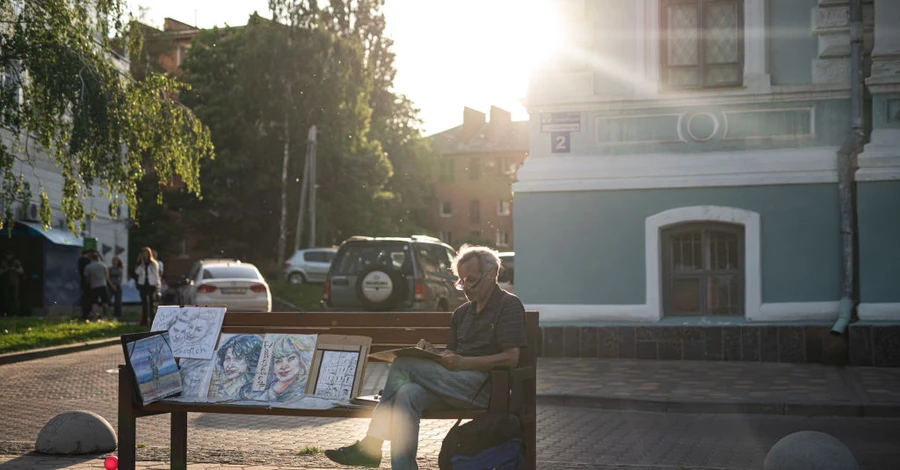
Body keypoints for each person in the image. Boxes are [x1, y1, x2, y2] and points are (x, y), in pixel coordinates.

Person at [324, 245, 527, 469]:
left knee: (403, 364)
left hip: (486, 388)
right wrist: (433, 353)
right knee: (407, 393)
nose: (466, 287)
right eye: (461, 281)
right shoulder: (462, 313)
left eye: (472, 280)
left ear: (491, 275)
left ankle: (371, 445)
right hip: (455, 384)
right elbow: (452, 354)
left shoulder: (508, 305)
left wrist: (464, 363)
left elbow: (511, 357)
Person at [260, 335, 315, 402]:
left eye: (291, 358)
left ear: (302, 361)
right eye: (278, 361)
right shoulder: (271, 388)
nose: (284, 366)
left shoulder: (304, 389)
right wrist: (274, 391)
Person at [209, 334, 263, 400]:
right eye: (228, 358)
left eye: (238, 358)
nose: (230, 365)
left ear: (253, 359)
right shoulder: (224, 386)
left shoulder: (252, 390)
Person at [135, 247, 161, 326]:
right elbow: (137, 272)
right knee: (144, 303)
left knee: (151, 303)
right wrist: (142, 264)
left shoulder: (153, 263)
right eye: (143, 254)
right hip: (143, 284)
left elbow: (156, 275)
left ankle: (152, 321)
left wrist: (157, 284)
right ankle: (144, 321)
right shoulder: (140, 264)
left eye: (146, 253)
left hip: (151, 285)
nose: (145, 255)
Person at [83, 252, 111, 319]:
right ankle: (106, 316)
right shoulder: (103, 265)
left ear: (91, 258)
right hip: (103, 285)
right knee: (105, 302)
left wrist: (88, 284)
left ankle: (95, 317)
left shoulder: (88, 266)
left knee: (94, 302)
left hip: (94, 286)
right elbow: (107, 276)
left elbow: (86, 277)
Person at [0, 251, 24, 315]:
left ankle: (16, 312)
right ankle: (7, 312)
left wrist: (14, 269)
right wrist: (6, 270)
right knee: (6, 297)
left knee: (15, 297)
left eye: (10, 255)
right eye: (7, 255)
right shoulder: (4, 262)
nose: (9, 256)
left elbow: (21, 271)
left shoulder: (16, 262)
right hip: (6, 283)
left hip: (15, 282)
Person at [77, 250, 93, 319]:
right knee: (89, 298)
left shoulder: (80, 260)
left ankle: (85, 313)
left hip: (83, 281)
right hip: (89, 281)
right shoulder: (88, 261)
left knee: (84, 297)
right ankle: (88, 313)